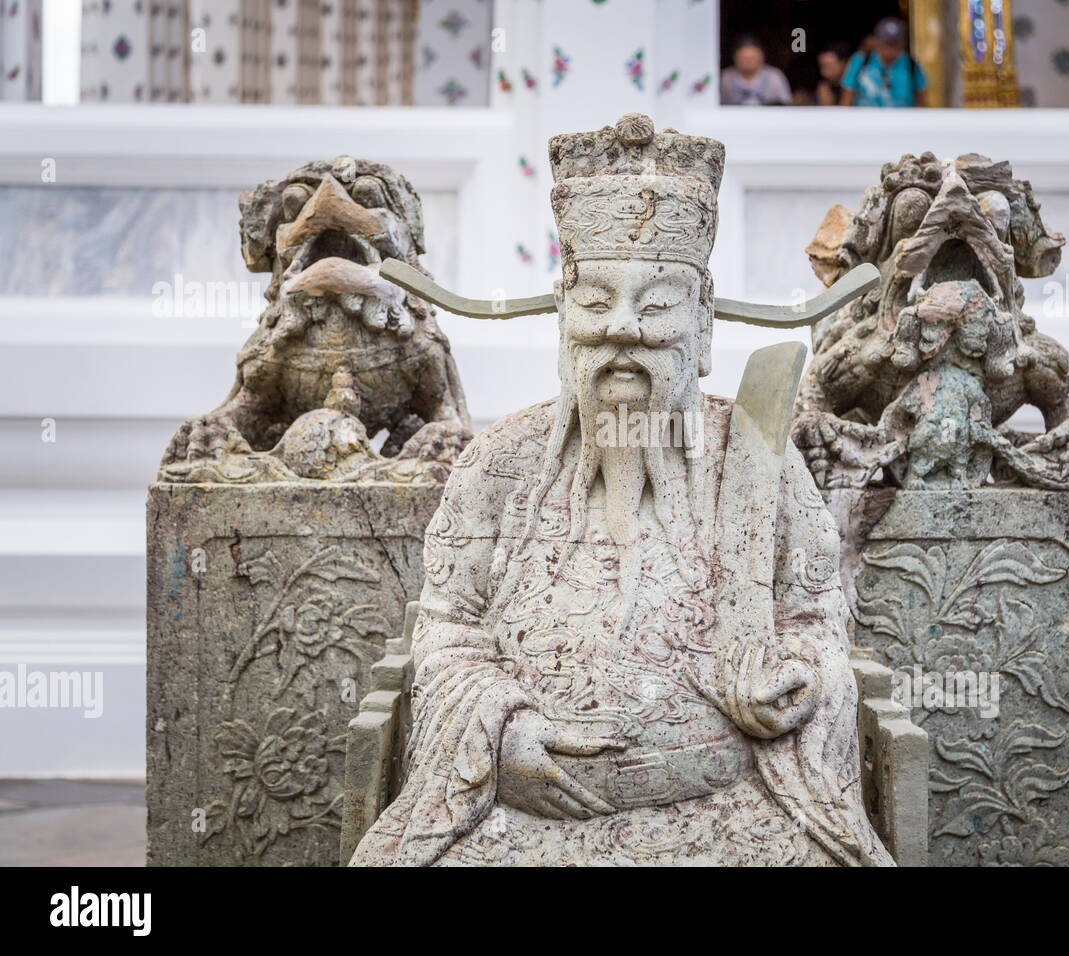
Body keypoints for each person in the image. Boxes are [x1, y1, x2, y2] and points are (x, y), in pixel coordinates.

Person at [349, 113, 892, 867]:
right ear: (564, 324)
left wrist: (797, 675)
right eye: (597, 304)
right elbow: (447, 627)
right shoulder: (500, 464)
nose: (624, 331)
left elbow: (814, 617)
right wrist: (498, 732)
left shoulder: (760, 458)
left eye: (659, 306)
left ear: (702, 328)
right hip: (517, 827)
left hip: (735, 815)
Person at [841, 17, 927, 108]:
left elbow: (921, 102)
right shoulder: (861, 60)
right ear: (877, 42)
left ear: (902, 44)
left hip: (902, 121)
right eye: (886, 43)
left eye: (895, 44)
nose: (890, 49)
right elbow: (847, 99)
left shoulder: (911, 64)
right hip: (866, 120)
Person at [720, 36, 793, 106]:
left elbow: (785, 104)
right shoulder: (726, 77)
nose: (749, 61)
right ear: (735, 58)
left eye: (752, 58)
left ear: (761, 57)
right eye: (744, 58)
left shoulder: (774, 76)